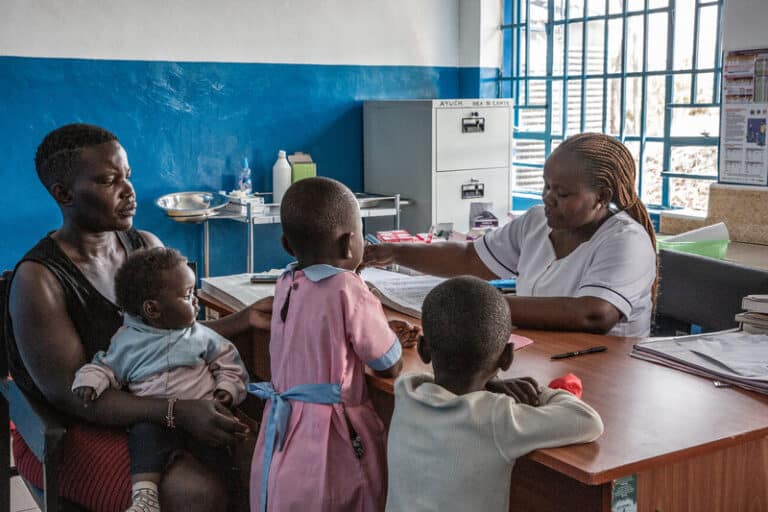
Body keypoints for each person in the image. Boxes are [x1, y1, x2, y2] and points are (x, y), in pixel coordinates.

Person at [6, 123, 273, 512]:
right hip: (71, 427)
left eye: (127, 176)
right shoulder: (40, 279)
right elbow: (72, 396)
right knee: (196, 492)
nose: (128, 191)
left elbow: (173, 338)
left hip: (158, 399)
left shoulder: (145, 247)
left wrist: (243, 320)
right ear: (63, 193)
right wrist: (176, 413)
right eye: (108, 181)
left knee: (266, 442)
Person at [364, 133, 658, 337]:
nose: (548, 198)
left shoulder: (625, 240)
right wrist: (395, 252)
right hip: (543, 352)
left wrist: (478, 305)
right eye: (546, 186)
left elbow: (594, 314)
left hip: (606, 366)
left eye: (562, 193)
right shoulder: (536, 222)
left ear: (601, 197)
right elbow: (470, 258)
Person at [249, 177, 409, 512]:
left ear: (287, 246)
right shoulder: (348, 290)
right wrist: (390, 335)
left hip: (283, 426)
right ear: (350, 244)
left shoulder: (285, 283)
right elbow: (388, 362)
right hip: (333, 435)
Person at [385, 276, 604, 512]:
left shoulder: (406, 391)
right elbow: (587, 421)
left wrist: (490, 383)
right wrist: (539, 392)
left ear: (423, 349)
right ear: (507, 357)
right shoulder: (495, 419)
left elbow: (441, 384)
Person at [72, 247, 250, 512]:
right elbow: (105, 367)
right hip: (158, 419)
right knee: (144, 435)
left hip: (205, 415)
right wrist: (89, 381)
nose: (196, 300)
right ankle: (145, 495)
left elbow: (229, 362)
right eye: (188, 295)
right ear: (152, 309)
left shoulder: (199, 334)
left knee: (228, 447)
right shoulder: (127, 341)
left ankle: (241, 494)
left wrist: (227, 390)